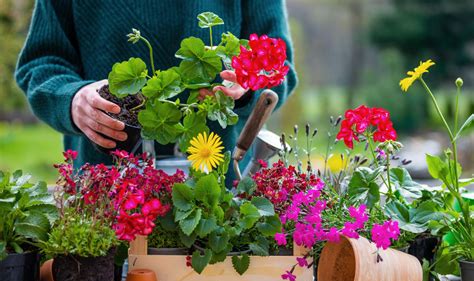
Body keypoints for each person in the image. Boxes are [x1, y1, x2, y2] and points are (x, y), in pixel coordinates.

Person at [15, 0, 297, 181]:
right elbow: (41, 65)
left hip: (218, 195)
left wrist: (247, 86)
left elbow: (277, 66)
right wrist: (73, 99)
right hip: (107, 193)